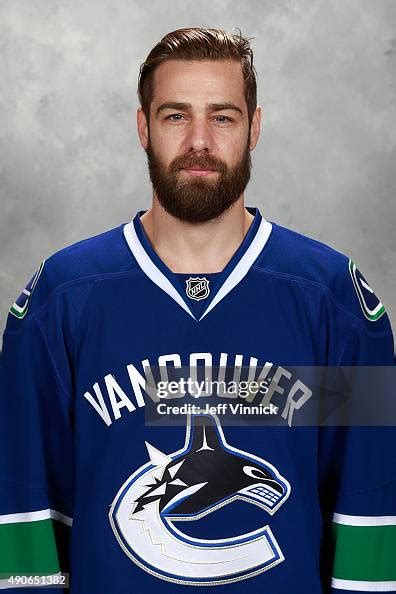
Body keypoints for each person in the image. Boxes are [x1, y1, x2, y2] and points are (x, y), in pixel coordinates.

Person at [0, 27, 395, 594]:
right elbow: (26, 513)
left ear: (255, 127)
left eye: (224, 117)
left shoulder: (336, 302)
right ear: (143, 127)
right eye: (176, 116)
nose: (200, 141)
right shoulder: (62, 299)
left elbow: (370, 512)